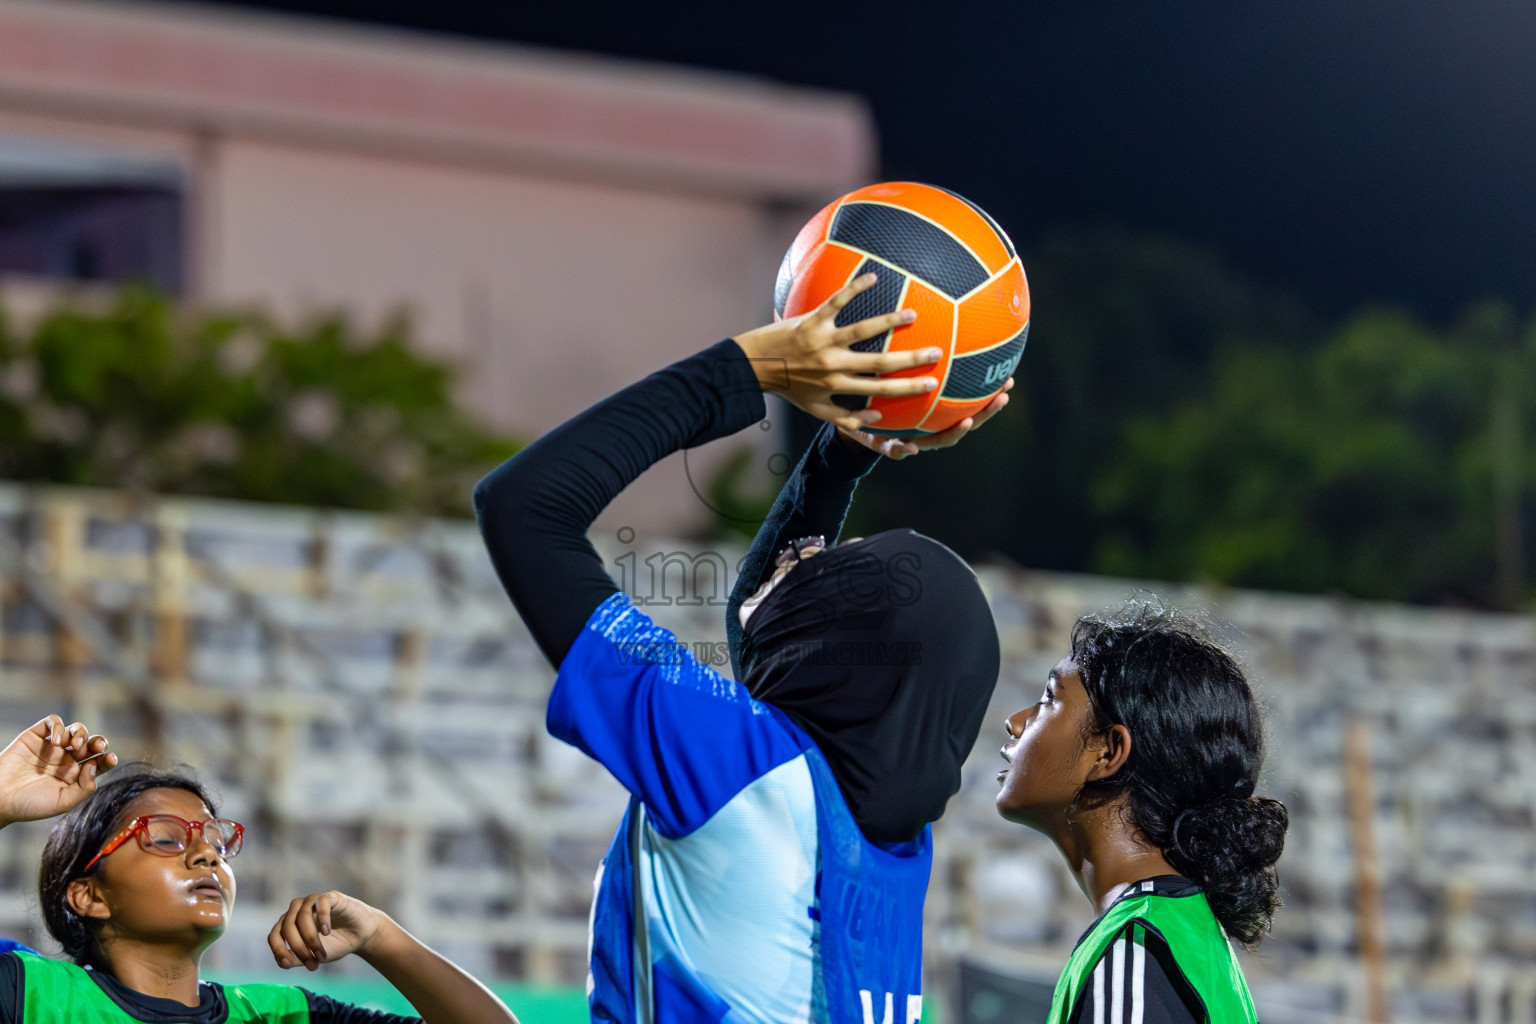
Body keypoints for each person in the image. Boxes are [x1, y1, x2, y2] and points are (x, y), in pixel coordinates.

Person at [474, 273, 1009, 1024]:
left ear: (839, 657)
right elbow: (768, 648)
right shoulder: (890, 840)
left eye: (828, 564)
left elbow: (524, 508)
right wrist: (843, 452)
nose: (804, 557)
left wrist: (751, 368)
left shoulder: (738, 770)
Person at [0, 714, 520, 1024]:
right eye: (165, 838)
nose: (206, 855)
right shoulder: (32, 995)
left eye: (215, 842)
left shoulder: (276, 1014)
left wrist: (380, 936)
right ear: (89, 896)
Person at [994, 601, 1289, 1023]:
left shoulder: (1133, 949)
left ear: (1108, 752)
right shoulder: (1187, 936)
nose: (1015, 722)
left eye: (1048, 699)